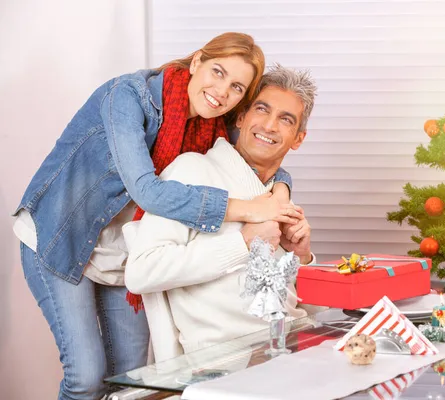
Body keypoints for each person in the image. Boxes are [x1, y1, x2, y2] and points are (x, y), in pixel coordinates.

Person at [12, 32, 303, 400]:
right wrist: (248, 210)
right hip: (63, 240)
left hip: (122, 255)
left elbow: (261, 149)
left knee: (133, 382)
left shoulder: (211, 123)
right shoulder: (128, 97)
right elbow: (146, 191)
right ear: (196, 61)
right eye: (217, 72)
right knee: (85, 377)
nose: (221, 91)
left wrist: (281, 191)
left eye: (236, 88)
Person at [123, 65, 318, 361]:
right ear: (241, 117)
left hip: (294, 351)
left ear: (298, 138)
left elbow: (309, 310)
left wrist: (302, 258)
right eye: (262, 110)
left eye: (285, 119)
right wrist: (242, 243)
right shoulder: (193, 171)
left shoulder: (277, 198)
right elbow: (141, 272)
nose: (269, 125)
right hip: (230, 364)